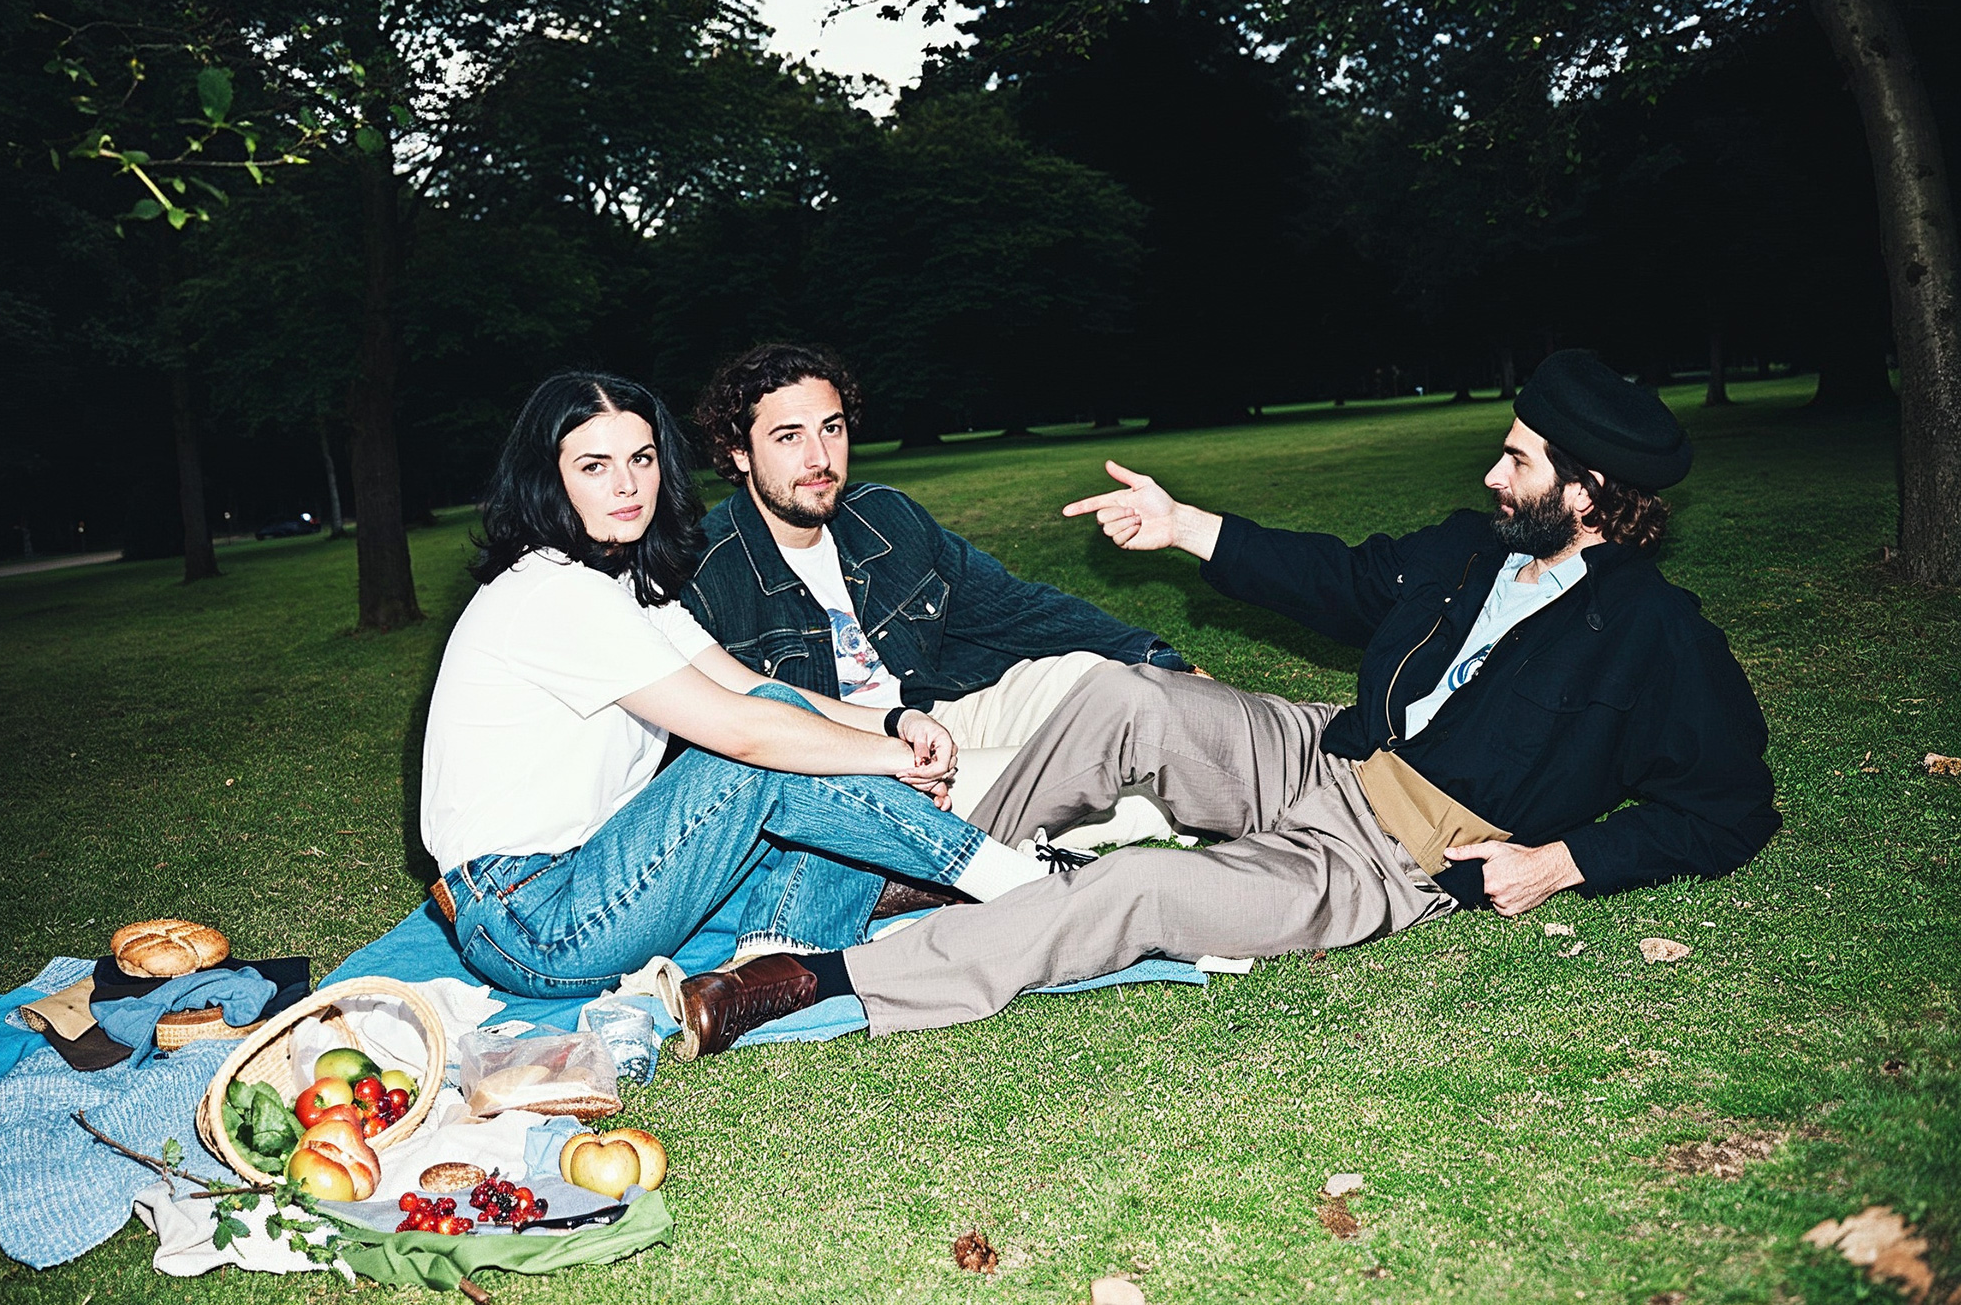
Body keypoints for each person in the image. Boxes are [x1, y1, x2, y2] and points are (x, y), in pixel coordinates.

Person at [671, 350, 1780, 1056]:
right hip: (1320, 753)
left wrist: (1563, 863)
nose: (1493, 476)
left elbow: (1728, 808)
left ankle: (811, 978)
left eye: (1518, 462)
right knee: (1123, 696)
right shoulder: (1470, 549)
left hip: (1388, 857)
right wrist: (1183, 526)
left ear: (1589, 492)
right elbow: (1337, 579)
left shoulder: (1657, 638)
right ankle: (934, 868)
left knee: (1141, 884)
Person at [418, 371, 1088, 1003]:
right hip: (533, 920)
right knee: (769, 750)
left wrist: (892, 724)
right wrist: (890, 760)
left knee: (798, 740)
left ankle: (781, 946)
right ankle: (1011, 878)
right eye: (595, 466)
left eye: (642, 459)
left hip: (594, 870)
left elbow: (748, 686)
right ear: (549, 478)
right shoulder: (555, 592)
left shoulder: (624, 586)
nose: (627, 484)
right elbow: (744, 731)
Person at [678, 343, 1196, 928]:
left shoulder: (884, 516)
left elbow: (1014, 607)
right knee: (1118, 784)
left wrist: (1155, 658)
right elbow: (728, 748)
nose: (819, 457)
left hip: (936, 719)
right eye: (788, 436)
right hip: (849, 773)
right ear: (739, 452)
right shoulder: (707, 573)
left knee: (1097, 678)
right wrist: (885, 760)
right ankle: (1131, 804)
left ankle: (1113, 786)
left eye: (831, 428)